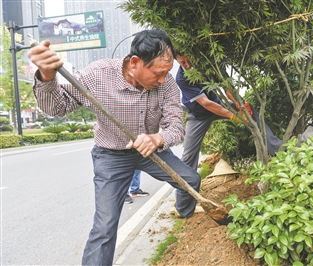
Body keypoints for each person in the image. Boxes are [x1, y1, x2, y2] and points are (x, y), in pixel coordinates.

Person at [28, 29, 201, 266]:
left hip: (151, 152)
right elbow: (57, 108)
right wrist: (47, 77)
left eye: (166, 74)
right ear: (135, 63)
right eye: (158, 73)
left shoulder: (167, 85)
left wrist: (157, 139)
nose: (162, 80)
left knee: (190, 179)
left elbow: (176, 127)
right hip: (111, 155)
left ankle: (186, 213)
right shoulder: (97, 75)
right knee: (105, 226)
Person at [175, 54, 281, 170]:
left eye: (189, 60)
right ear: (177, 61)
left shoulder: (207, 65)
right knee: (189, 154)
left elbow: (227, 87)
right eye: (182, 62)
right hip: (198, 116)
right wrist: (235, 116)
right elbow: (206, 103)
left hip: (217, 104)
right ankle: (185, 187)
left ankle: (277, 149)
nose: (187, 64)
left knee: (250, 111)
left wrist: (240, 105)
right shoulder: (181, 78)